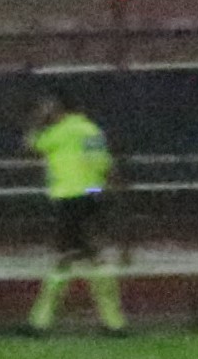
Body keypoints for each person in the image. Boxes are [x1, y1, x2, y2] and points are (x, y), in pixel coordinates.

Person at [22, 88, 124, 336]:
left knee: (65, 256)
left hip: (67, 200)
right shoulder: (91, 130)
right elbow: (103, 162)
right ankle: (113, 322)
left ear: (58, 108)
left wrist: (38, 119)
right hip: (90, 196)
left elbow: (31, 144)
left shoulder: (58, 132)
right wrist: (97, 189)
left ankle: (40, 323)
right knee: (91, 254)